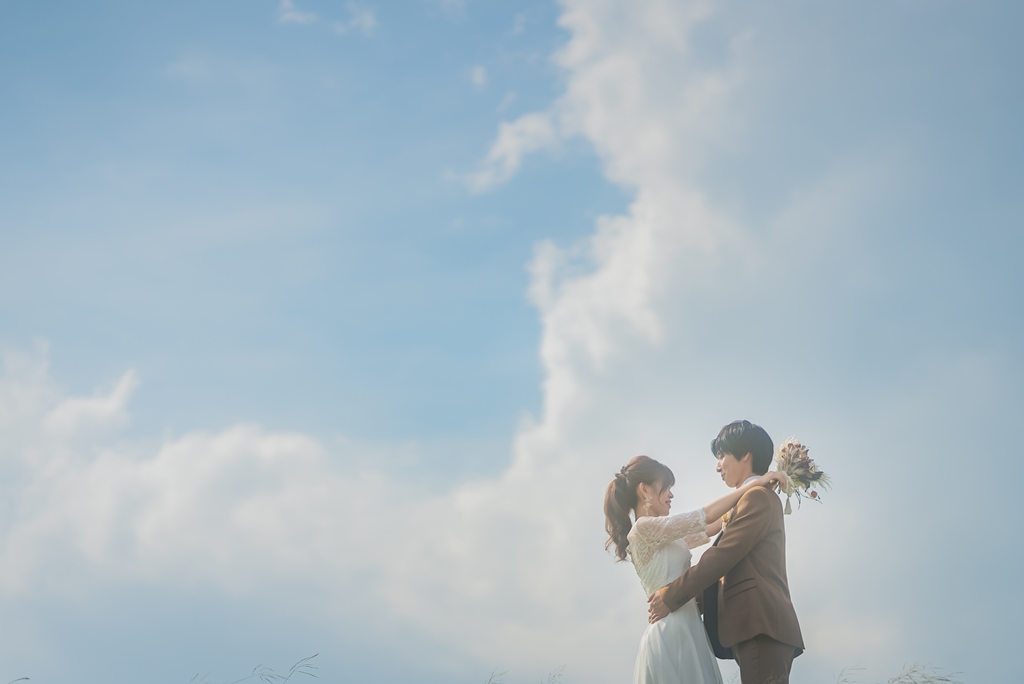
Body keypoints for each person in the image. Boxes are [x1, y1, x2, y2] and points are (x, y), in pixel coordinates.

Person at [605, 454, 786, 684]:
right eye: (666, 487)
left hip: (689, 628)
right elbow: (705, 516)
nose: (671, 495)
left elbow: (712, 526)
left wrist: (755, 492)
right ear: (645, 490)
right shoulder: (643, 529)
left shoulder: (665, 535)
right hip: (671, 630)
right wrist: (756, 483)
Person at [647, 420, 804, 684]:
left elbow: (722, 557)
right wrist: (684, 606)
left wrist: (671, 596)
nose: (717, 466)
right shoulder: (749, 499)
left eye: (721, 456)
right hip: (756, 627)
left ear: (745, 455)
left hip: (761, 624)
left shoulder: (757, 497)